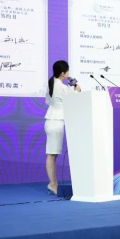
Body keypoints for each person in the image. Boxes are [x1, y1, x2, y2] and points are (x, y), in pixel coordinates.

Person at [45, 60, 81, 195]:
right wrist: (76, 91)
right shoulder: (61, 86)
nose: (68, 74)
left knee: (52, 155)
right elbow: (71, 102)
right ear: (63, 73)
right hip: (56, 121)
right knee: (52, 155)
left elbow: (48, 101)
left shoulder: (51, 83)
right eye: (67, 71)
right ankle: (53, 184)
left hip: (51, 120)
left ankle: (53, 183)